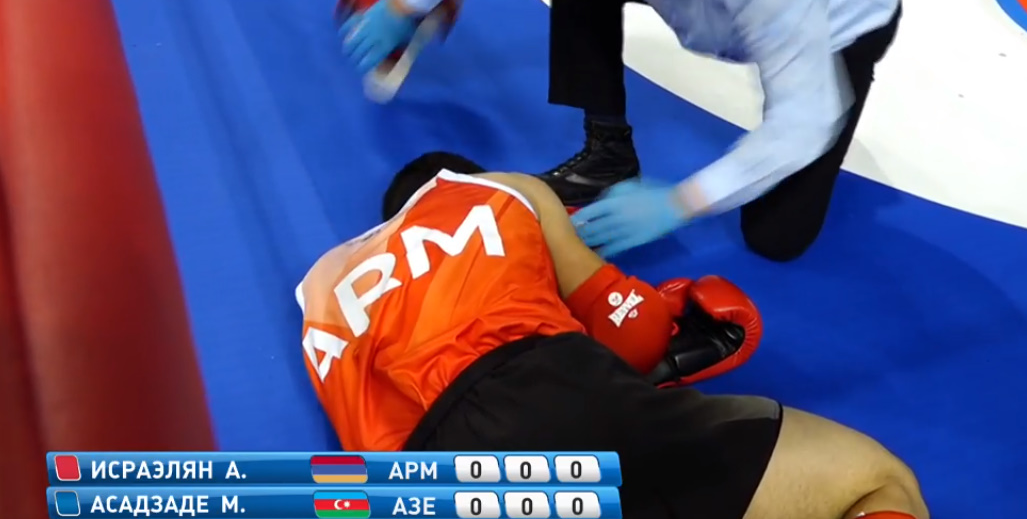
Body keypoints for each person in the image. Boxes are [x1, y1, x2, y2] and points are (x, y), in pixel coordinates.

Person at [340, 0, 904, 262]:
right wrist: (404, 1)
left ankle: (849, 84)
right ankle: (607, 151)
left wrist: (681, 202)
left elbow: (802, 121)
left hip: (841, 13)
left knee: (776, 237)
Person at [296, 151, 930, 519]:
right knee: (874, 480)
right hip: (547, 394)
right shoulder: (500, 191)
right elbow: (635, 333)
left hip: (415, 489)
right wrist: (667, 320)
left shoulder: (318, 291)